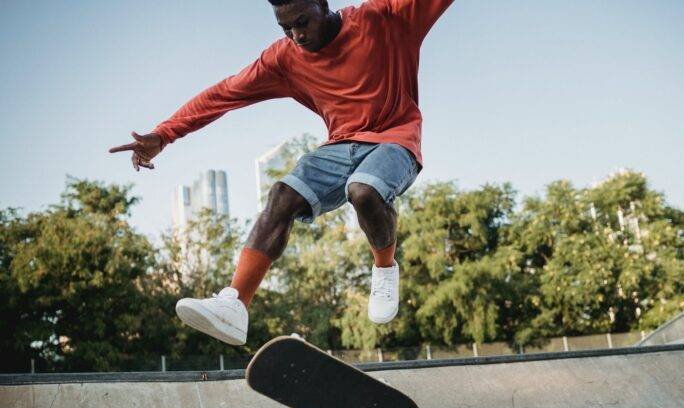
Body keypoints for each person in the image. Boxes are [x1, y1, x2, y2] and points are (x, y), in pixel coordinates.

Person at [109, 0, 453, 346]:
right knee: (282, 195)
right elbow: (223, 93)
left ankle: (384, 268)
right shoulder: (284, 58)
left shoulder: (384, 18)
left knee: (363, 190)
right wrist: (165, 134)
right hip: (339, 146)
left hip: (395, 141)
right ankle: (235, 305)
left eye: (302, 22)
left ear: (322, 4)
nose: (296, 35)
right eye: (286, 28)